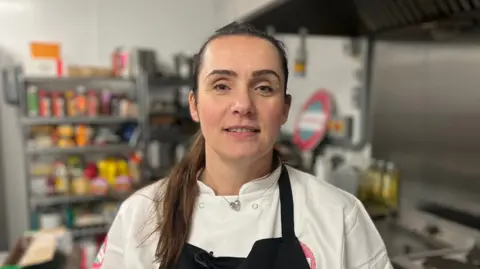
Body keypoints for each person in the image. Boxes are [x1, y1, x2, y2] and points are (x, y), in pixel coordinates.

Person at [92, 23, 393, 269]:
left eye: (263, 87)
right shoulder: (140, 216)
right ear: (194, 105)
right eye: (222, 86)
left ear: (285, 108)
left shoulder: (339, 216)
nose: (243, 105)